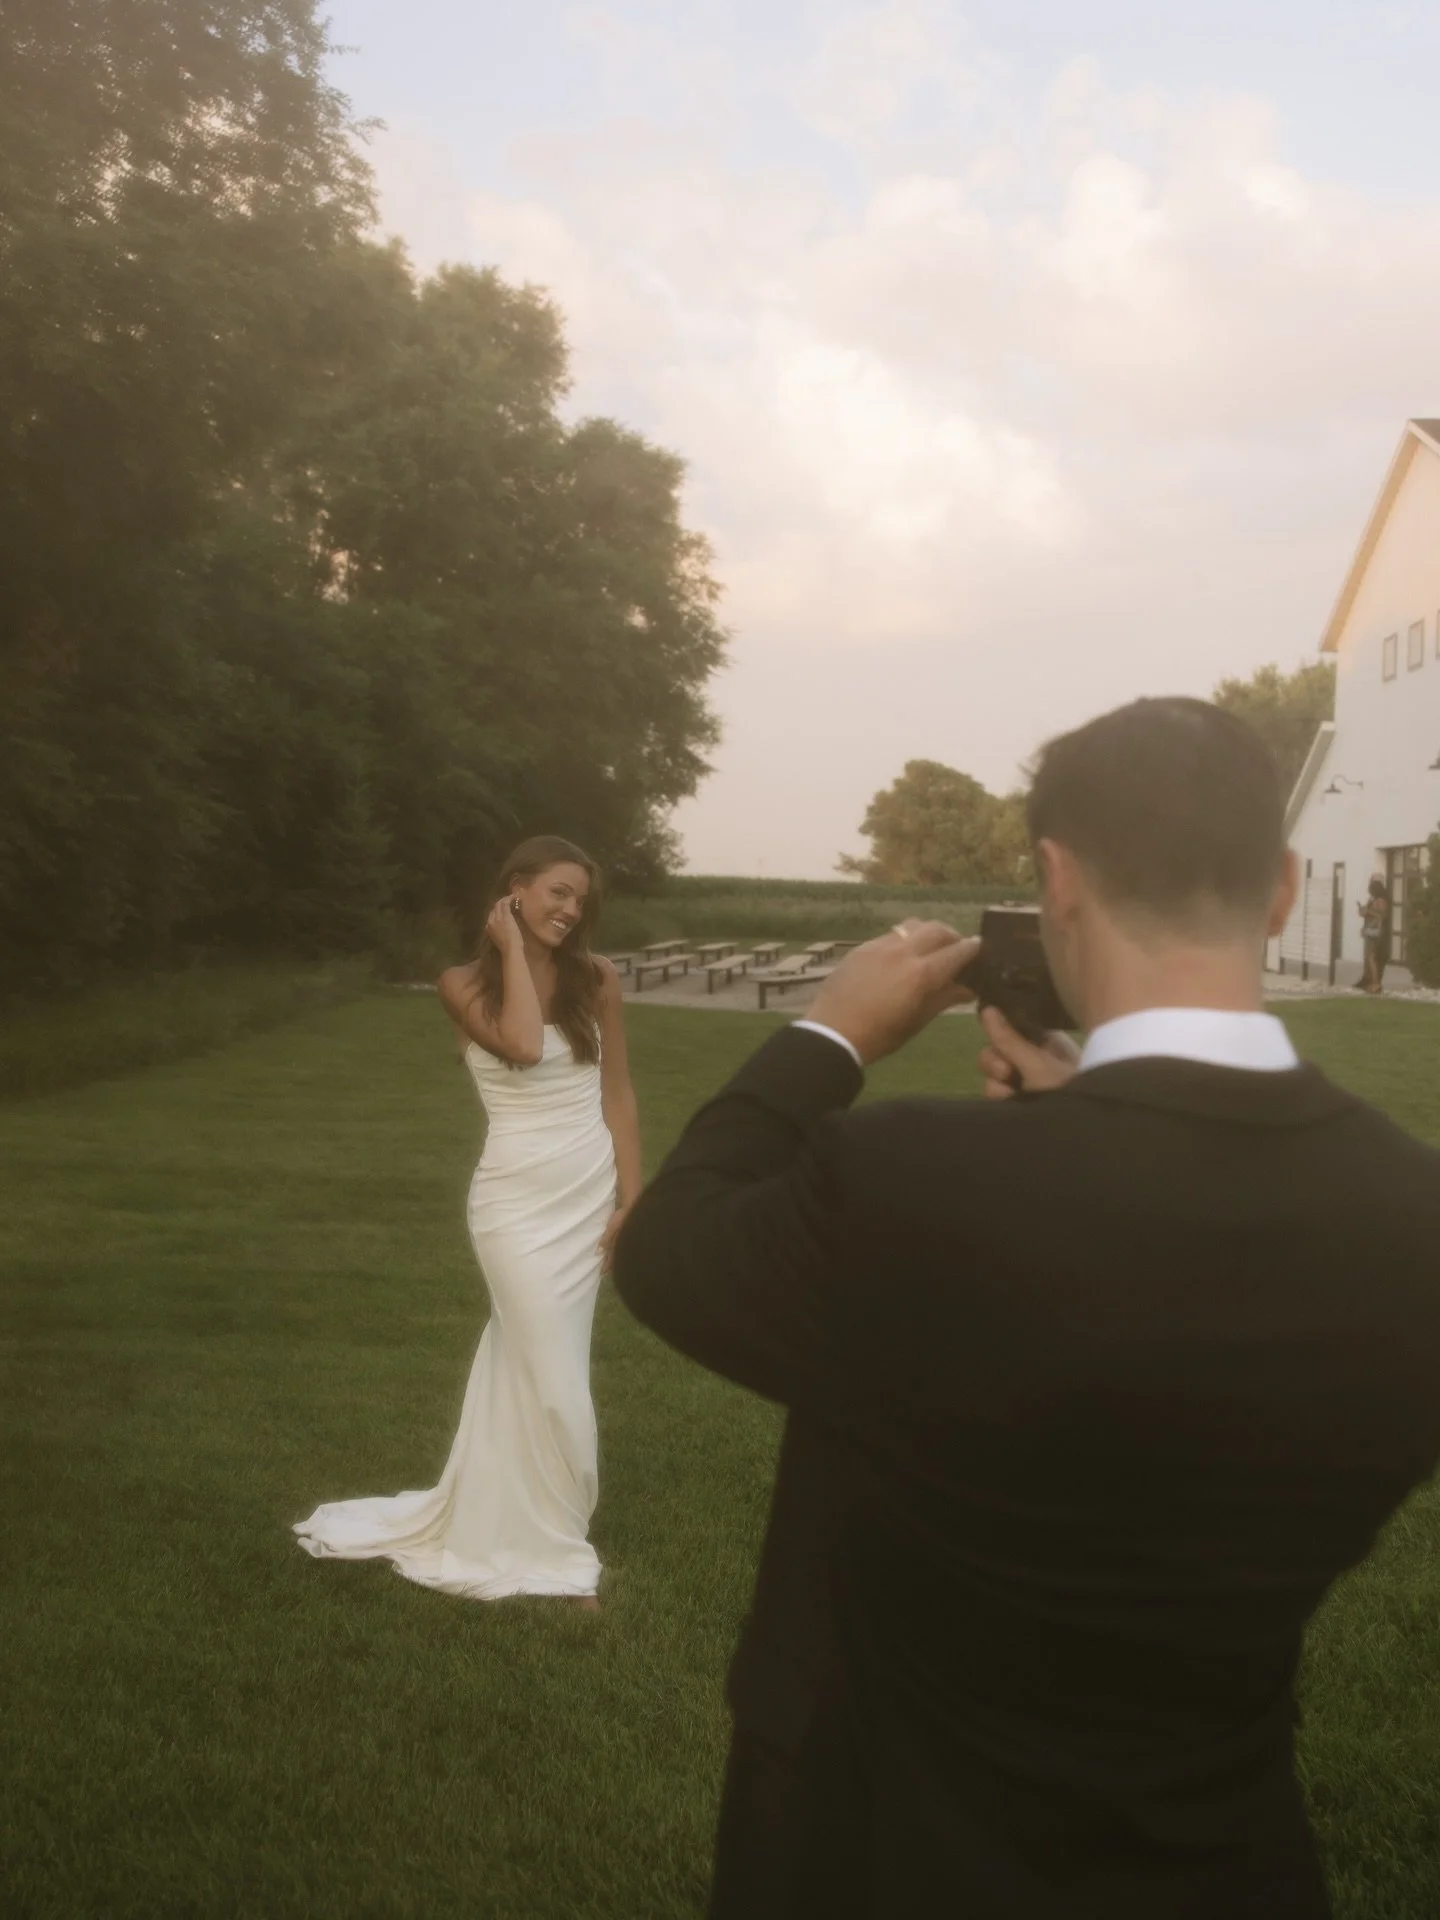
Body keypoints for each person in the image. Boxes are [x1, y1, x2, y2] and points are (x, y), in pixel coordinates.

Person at [612, 698, 1440, 1918]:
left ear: (1055, 882)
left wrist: (828, 1035)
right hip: (1218, 1863)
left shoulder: (909, 1182)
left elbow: (669, 1250)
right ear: (1280, 887)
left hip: (882, 1856)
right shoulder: (1413, 1220)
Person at [295, 835, 640, 1608]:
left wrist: (632, 1201)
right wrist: (512, 949)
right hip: (514, 1206)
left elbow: (617, 1095)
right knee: (553, 1379)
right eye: (556, 891)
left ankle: (530, 1528)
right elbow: (520, 1043)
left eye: (580, 898)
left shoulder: (598, 979)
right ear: (513, 891)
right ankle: (560, 1552)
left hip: (584, 1197)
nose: (571, 909)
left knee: (529, 1367)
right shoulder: (457, 983)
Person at [1357, 875, 1391, 994]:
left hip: (1376, 932)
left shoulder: (1381, 900)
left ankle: (1376, 984)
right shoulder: (1372, 900)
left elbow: (1382, 915)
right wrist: (1363, 911)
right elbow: (1368, 915)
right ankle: (1371, 982)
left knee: (1372, 958)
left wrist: (1369, 911)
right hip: (1369, 930)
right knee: (1368, 958)